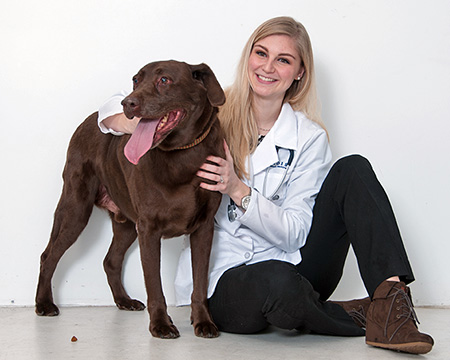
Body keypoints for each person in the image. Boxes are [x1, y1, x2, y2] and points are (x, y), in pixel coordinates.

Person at [98, 17, 434, 354]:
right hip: (228, 278)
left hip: (295, 262)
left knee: (354, 170)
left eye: (283, 60)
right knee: (278, 285)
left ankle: (391, 305)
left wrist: (237, 190)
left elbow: (296, 234)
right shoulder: (208, 113)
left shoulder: (309, 138)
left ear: (299, 72)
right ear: (249, 57)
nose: (268, 67)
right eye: (261, 53)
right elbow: (117, 103)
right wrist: (128, 124)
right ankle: (349, 314)